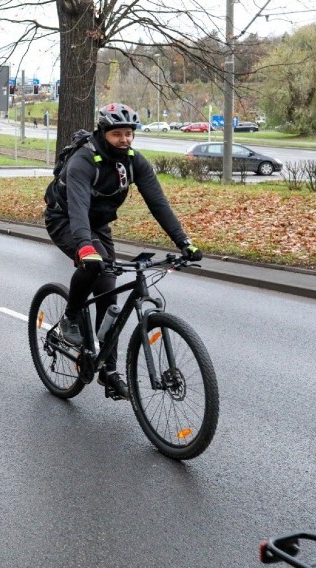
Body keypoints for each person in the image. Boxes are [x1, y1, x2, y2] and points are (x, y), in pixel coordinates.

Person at [44, 103, 202, 401]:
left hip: (99, 225)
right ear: (103, 132)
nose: (125, 140)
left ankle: (109, 370)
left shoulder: (133, 161)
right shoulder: (83, 161)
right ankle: (72, 315)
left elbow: (158, 203)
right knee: (93, 266)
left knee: (110, 294)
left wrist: (184, 242)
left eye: (129, 134)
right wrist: (84, 246)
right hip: (65, 219)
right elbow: (78, 209)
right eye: (117, 134)